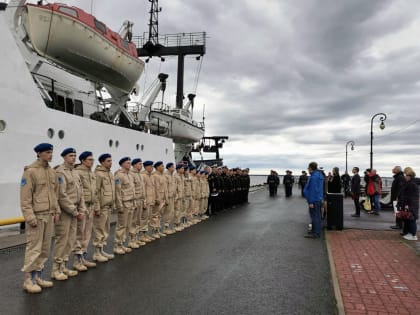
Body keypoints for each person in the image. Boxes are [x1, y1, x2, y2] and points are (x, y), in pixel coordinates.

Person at [20, 143, 59, 293]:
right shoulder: (30, 172)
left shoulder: (51, 172)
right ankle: (28, 280)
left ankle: (38, 277)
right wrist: (30, 217)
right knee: (34, 248)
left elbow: (54, 195)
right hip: (37, 216)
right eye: (48, 152)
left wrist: (56, 211)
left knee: (44, 249)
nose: (51, 155)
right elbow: (25, 198)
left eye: (51, 152)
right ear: (39, 154)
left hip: (49, 215)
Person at [52, 148, 86, 279]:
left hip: (75, 211)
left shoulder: (75, 172)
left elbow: (81, 193)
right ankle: (56, 269)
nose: (73, 158)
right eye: (71, 156)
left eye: (74, 155)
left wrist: (81, 208)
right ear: (64, 157)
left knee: (70, 240)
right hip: (66, 212)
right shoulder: (60, 172)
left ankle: (64, 266)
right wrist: (74, 211)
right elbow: (62, 195)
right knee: (62, 240)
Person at [74, 151, 98, 269]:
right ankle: (77, 260)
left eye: (92, 160)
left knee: (87, 234)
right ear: (83, 160)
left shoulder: (91, 173)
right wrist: (81, 209)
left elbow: (95, 191)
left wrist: (96, 206)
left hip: (91, 206)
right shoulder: (78, 172)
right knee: (80, 234)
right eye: (89, 159)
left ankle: (83, 258)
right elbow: (79, 192)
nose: (92, 162)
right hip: (82, 207)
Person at [92, 153, 115, 262]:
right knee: (99, 230)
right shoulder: (98, 174)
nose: (110, 163)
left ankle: (101, 250)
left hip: (108, 206)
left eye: (111, 161)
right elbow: (95, 192)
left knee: (106, 230)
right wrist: (96, 207)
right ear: (102, 162)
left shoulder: (109, 174)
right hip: (101, 207)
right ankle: (96, 253)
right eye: (108, 161)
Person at [113, 157, 136, 254]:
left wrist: (134, 202)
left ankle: (122, 244)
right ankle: (117, 245)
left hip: (130, 202)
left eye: (130, 163)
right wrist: (119, 206)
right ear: (122, 164)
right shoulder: (119, 176)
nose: (130, 164)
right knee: (121, 226)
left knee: (127, 225)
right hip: (124, 203)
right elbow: (117, 192)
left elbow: (132, 190)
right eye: (127, 163)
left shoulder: (130, 175)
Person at [303, 162, 324, 238]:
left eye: (308, 168)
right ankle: (317, 231)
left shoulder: (314, 177)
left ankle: (316, 233)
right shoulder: (320, 175)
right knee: (318, 216)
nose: (308, 170)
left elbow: (312, 190)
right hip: (318, 199)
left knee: (314, 217)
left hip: (314, 200)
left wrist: (310, 202)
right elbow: (320, 189)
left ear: (311, 168)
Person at [398, 167, 419, 240]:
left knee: (411, 219)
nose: (405, 177)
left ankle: (413, 235)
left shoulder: (411, 184)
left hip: (411, 204)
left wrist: (406, 204)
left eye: (406, 175)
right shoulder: (410, 183)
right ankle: (409, 233)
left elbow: (409, 196)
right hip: (411, 204)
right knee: (408, 219)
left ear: (409, 176)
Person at [130, 158, 147, 246]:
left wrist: (144, 200)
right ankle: (132, 240)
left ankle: (136, 238)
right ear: (135, 165)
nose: (141, 165)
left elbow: (142, 189)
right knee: (133, 221)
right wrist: (134, 202)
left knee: (138, 221)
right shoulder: (131, 174)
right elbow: (132, 190)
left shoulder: (140, 175)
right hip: (135, 200)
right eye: (140, 164)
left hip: (140, 200)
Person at [140, 160, 156, 242]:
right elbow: (143, 191)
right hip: (146, 201)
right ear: (146, 167)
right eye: (151, 166)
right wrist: (144, 202)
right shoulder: (143, 176)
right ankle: (142, 235)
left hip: (151, 200)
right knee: (144, 219)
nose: (152, 168)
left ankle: (146, 234)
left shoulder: (151, 176)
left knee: (148, 218)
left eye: (152, 166)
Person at [151, 161, 167, 238]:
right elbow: (156, 189)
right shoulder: (155, 176)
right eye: (162, 166)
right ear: (157, 167)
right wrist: (157, 199)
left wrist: (165, 198)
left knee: (160, 215)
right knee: (155, 216)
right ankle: (154, 231)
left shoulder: (162, 176)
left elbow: (164, 188)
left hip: (162, 198)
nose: (163, 167)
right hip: (158, 198)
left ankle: (158, 230)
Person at [163, 162, 176, 234]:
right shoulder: (166, 176)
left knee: (171, 212)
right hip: (168, 197)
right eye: (172, 167)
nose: (174, 168)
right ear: (169, 168)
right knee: (167, 213)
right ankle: (166, 228)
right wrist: (166, 199)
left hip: (172, 196)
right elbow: (165, 189)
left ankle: (169, 226)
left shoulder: (172, 176)